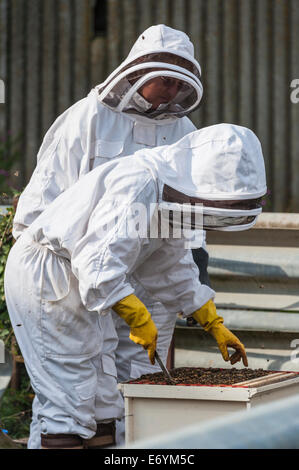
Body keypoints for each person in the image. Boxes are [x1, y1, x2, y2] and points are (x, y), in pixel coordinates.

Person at [4, 123, 267, 449]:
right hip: (51, 276)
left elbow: (171, 264)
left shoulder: (167, 195)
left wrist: (212, 322)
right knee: (70, 400)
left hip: (80, 279)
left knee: (104, 399)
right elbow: (97, 264)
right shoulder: (139, 182)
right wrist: (138, 317)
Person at [11, 24, 208, 446]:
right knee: (70, 402)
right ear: (137, 71)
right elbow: (51, 208)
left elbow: (173, 237)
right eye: (164, 80)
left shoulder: (185, 135)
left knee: (120, 401)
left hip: (135, 270)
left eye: (179, 83)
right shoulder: (88, 117)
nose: (171, 91)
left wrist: (201, 304)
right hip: (64, 269)